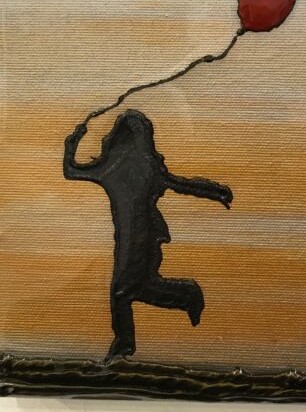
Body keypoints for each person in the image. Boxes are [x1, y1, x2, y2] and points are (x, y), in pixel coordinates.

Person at [63, 109, 233, 361]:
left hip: (141, 237)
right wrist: (215, 192)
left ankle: (127, 342)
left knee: (125, 290)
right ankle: (185, 295)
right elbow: (182, 184)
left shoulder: (113, 167)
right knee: (136, 287)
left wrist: (72, 143)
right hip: (134, 237)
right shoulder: (131, 167)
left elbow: (71, 169)